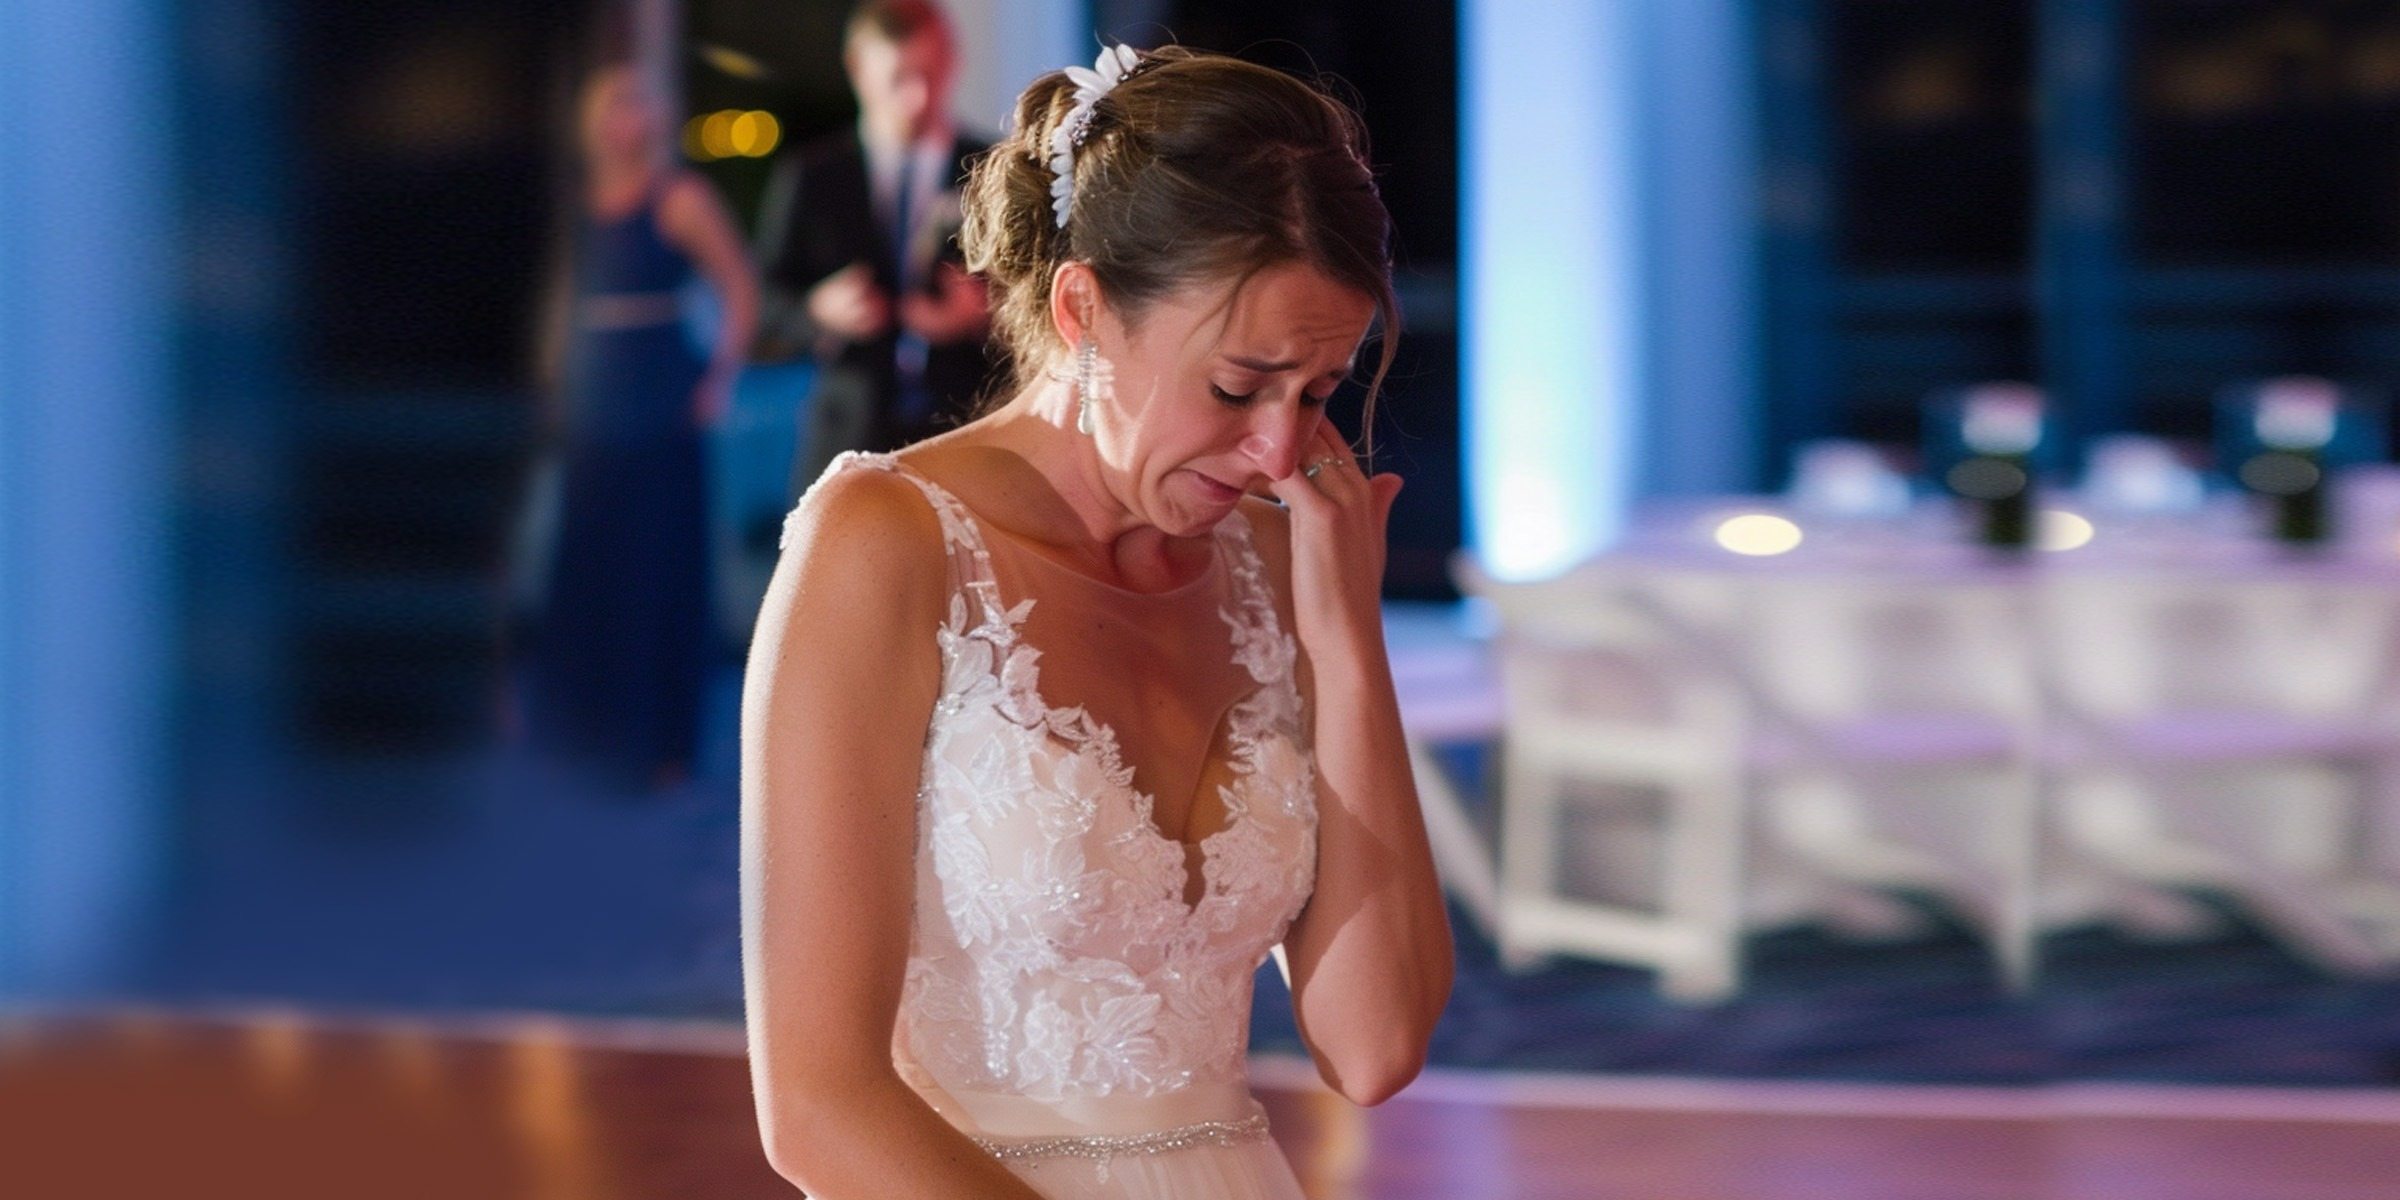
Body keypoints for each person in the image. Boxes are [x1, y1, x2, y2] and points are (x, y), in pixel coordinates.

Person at [741, 42, 1452, 1199]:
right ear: (1083, 308)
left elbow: (1373, 1051)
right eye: (1238, 385)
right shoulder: (885, 543)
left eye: (1316, 394)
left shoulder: (1280, 561)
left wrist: (1346, 639)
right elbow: (820, 1108)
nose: (1280, 450)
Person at [524, 62, 757, 790]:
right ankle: (580, 734)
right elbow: (560, 302)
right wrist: (550, 384)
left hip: (660, 393)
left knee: (658, 568)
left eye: (639, 104)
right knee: (590, 564)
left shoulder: (679, 197)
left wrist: (718, 379)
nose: (628, 119)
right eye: (614, 104)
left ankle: (658, 743)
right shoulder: (577, 203)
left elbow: (740, 288)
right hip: (596, 394)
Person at [752, 0, 997, 491]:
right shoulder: (813, 176)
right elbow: (762, 302)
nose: (918, 97)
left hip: (968, 426)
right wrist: (818, 310)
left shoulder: (992, 169)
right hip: (850, 430)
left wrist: (982, 312)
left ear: (952, 60)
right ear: (858, 69)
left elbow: (1039, 293)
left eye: (932, 74)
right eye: (899, 79)